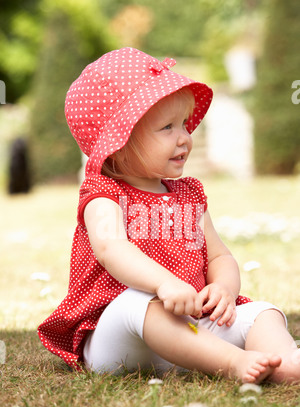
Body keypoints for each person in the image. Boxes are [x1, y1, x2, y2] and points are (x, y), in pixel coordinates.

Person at [38, 47, 300, 384]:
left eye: (184, 125)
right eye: (167, 128)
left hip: (188, 331)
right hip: (119, 335)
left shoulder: (188, 194)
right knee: (139, 302)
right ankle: (234, 362)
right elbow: (112, 249)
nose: (185, 138)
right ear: (119, 140)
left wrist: (224, 287)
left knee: (263, 312)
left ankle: (284, 363)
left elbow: (219, 255)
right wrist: (163, 283)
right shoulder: (104, 194)